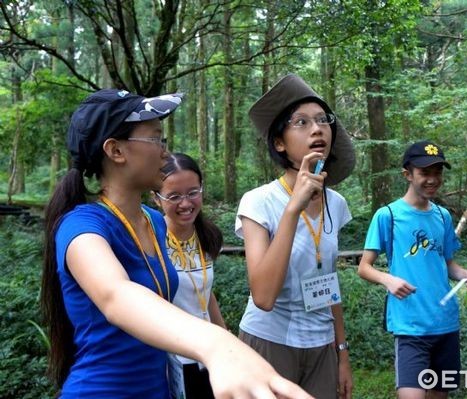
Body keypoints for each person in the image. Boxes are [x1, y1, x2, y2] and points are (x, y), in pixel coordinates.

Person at [41, 88, 312, 399]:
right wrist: (217, 344)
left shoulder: (154, 220)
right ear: (115, 151)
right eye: (156, 139)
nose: (165, 153)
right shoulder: (81, 226)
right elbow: (115, 295)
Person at [235, 74, 355, 399]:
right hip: (269, 343)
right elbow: (263, 296)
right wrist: (293, 210)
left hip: (321, 346)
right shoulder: (259, 202)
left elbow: (329, 283)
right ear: (280, 142)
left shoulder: (337, 203)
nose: (317, 129)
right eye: (301, 122)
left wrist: (341, 353)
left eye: (322, 120)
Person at [357, 140, 467, 399]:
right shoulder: (388, 215)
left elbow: (447, 264)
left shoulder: (442, 216)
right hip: (410, 326)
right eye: (425, 173)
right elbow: (364, 267)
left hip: (445, 324)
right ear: (408, 174)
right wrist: (388, 280)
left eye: (437, 172)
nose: (432, 179)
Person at [153, 153, 227, 399]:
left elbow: (205, 294)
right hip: (173, 361)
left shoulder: (206, 236)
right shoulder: (151, 242)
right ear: (156, 198)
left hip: (209, 356)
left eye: (193, 192)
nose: (185, 203)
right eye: (174, 196)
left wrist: (228, 344)